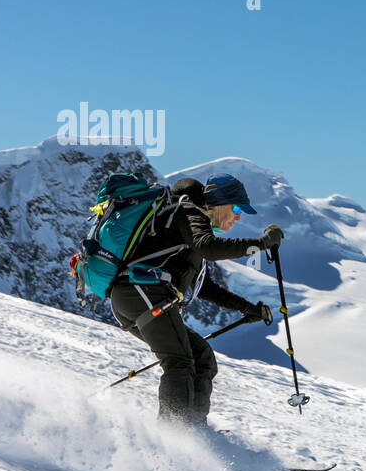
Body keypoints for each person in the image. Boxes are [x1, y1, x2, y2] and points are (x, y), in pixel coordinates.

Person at [108, 172, 284, 426]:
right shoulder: (189, 214)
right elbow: (209, 248)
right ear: (218, 202)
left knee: (201, 357)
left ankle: (194, 430)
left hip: (137, 298)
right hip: (140, 292)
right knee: (179, 361)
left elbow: (204, 288)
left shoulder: (188, 229)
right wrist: (260, 244)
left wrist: (247, 309)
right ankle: (173, 435)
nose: (238, 215)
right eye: (235, 207)